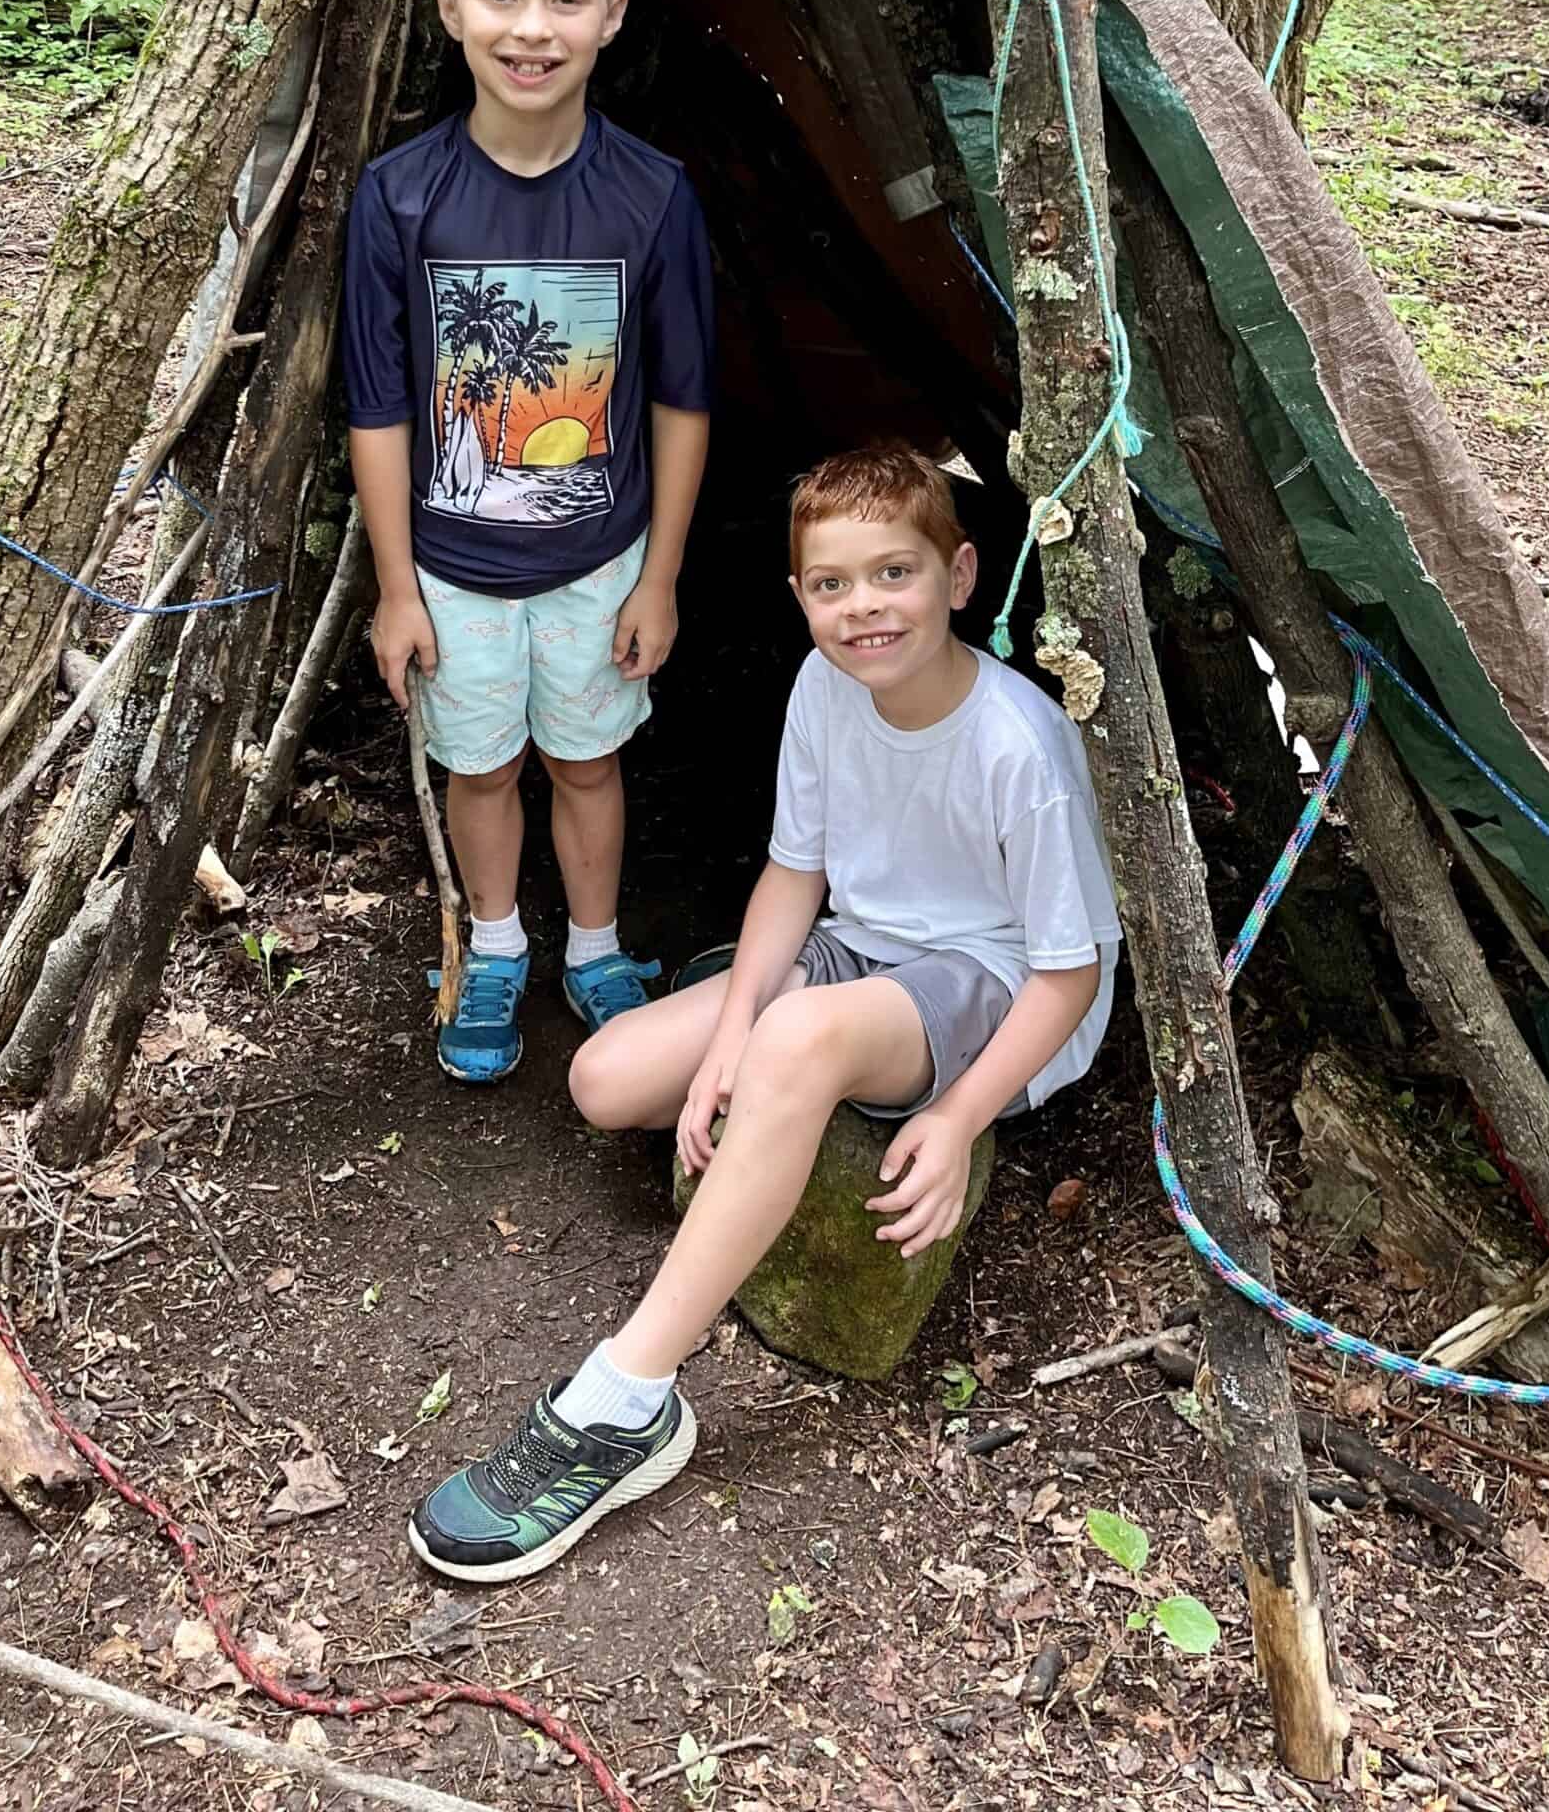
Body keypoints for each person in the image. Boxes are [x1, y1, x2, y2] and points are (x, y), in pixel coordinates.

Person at [409, 444, 1122, 1582]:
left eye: (894, 573)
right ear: (799, 597)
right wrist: (729, 1033)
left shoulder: (1016, 744)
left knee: (794, 1037)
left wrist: (958, 1117)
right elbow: (795, 873)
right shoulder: (827, 689)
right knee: (608, 1078)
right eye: (832, 585)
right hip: (861, 949)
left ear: (962, 573)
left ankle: (629, 1395)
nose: (864, 608)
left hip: (987, 981)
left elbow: (1068, 975)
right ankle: (775, 1044)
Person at [343, 0, 714, 1083]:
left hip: (596, 561)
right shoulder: (401, 199)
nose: (531, 29)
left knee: (589, 760)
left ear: (611, 15)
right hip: (451, 570)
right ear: (449, 6)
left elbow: (680, 399)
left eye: (564, 0)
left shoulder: (651, 196)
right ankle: (495, 943)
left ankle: (596, 948)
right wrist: (397, 587)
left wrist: (657, 575)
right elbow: (383, 406)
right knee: (483, 764)